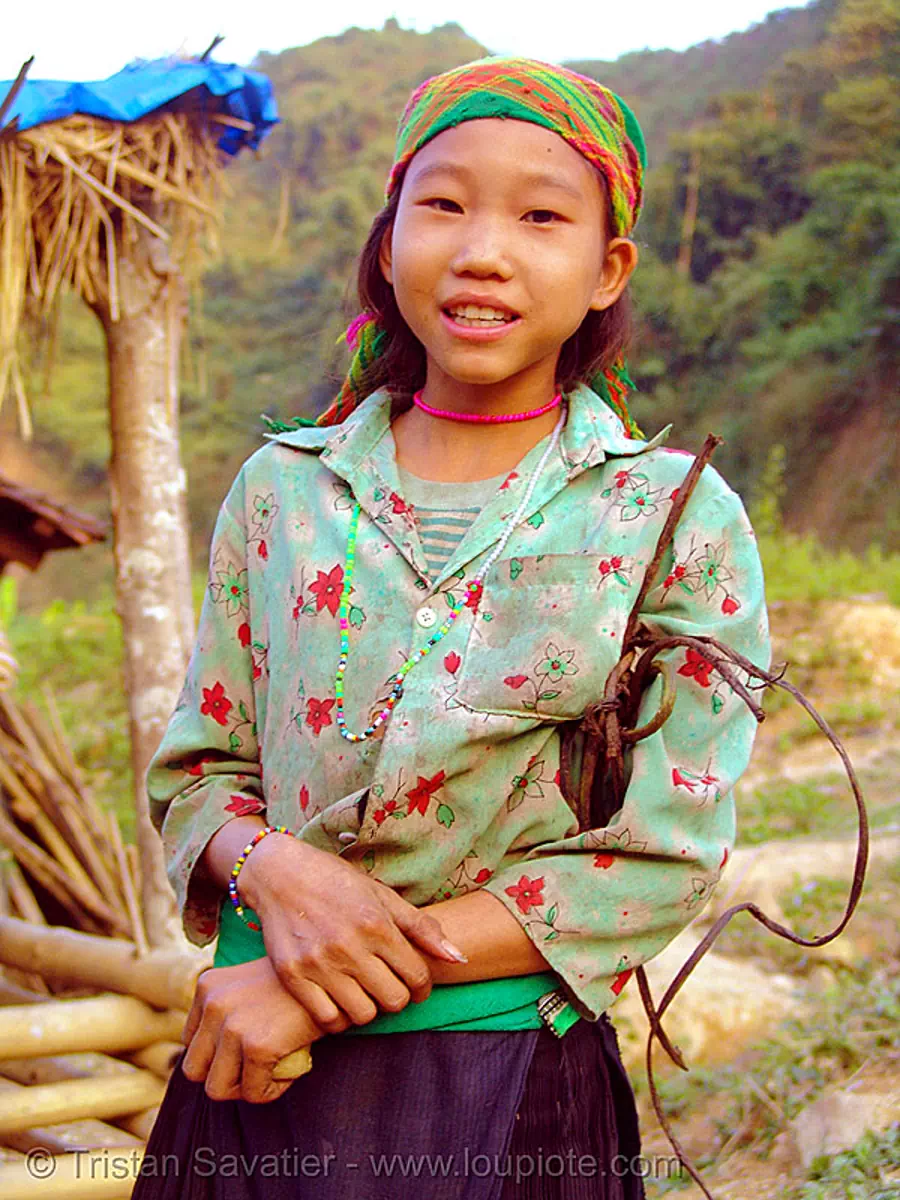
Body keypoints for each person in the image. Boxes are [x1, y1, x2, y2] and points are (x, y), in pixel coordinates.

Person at [134, 57, 769, 1200]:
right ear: (388, 248)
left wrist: (319, 982)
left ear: (607, 269)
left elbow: (662, 856)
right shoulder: (282, 494)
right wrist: (274, 868)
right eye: (444, 205)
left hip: (506, 1083)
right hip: (252, 1072)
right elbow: (196, 776)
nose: (483, 251)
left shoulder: (670, 516)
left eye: (540, 217)